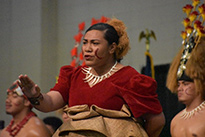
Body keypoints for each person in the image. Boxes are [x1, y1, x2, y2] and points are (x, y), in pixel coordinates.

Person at [18, 18, 165, 137]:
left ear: (112, 48)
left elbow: (156, 121)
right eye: (85, 43)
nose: (87, 49)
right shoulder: (74, 75)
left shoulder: (129, 78)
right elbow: (49, 103)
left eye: (95, 43)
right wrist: (35, 95)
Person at [166, 1, 205, 136]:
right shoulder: (175, 121)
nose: (180, 88)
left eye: (186, 83)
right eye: (179, 84)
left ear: (199, 84)